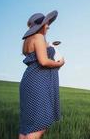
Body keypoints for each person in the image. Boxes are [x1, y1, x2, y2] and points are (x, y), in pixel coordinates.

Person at [19, 10, 65, 139]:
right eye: (47, 24)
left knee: (27, 125)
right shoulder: (38, 37)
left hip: (31, 80)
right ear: (41, 25)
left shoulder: (28, 40)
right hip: (38, 83)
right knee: (41, 122)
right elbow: (44, 61)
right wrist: (60, 63)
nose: (48, 26)